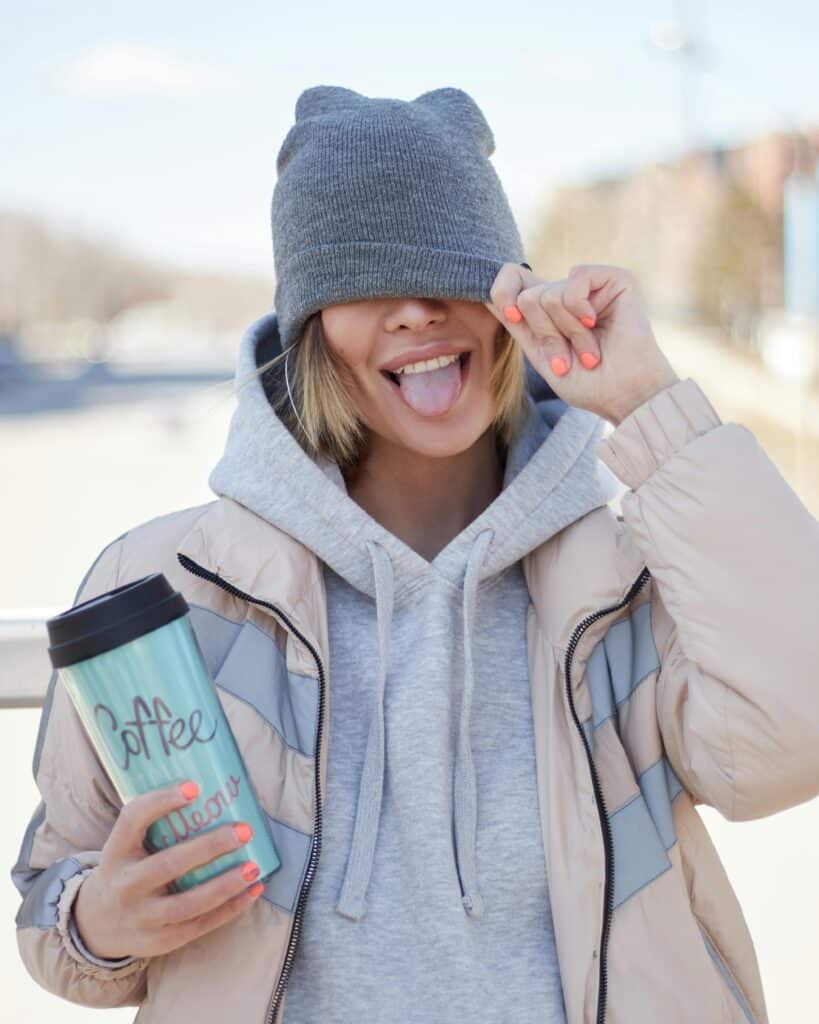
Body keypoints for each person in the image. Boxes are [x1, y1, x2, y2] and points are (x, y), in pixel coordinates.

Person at [10, 84, 819, 1024]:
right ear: (312, 325)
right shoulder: (167, 590)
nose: (413, 311)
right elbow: (52, 907)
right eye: (362, 279)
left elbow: (791, 741)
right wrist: (102, 922)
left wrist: (650, 407)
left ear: (509, 298)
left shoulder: (627, 575)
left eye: (448, 268)